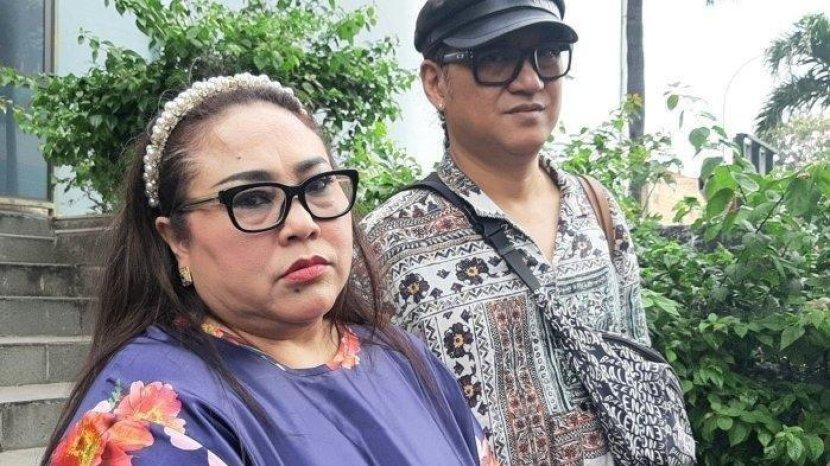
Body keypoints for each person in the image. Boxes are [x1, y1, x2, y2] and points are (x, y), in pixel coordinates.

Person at [44, 73, 497, 466]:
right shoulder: (149, 422)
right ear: (177, 239)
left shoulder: (405, 358)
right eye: (253, 199)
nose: (302, 223)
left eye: (318, 186)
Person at [356, 1, 656, 464]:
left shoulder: (598, 209)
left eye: (547, 55)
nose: (531, 81)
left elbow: (641, 375)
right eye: (496, 59)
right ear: (436, 83)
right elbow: (368, 419)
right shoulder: (385, 244)